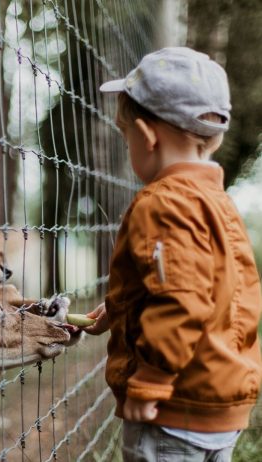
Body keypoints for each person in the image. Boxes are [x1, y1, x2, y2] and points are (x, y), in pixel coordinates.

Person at [83, 47, 262, 461]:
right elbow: (208, 287)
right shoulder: (218, 203)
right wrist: (116, 310)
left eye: (125, 135)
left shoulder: (162, 204)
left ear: (147, 137)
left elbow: (181, 299)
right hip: (219, 401)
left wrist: (150, 381)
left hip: (173, 409)